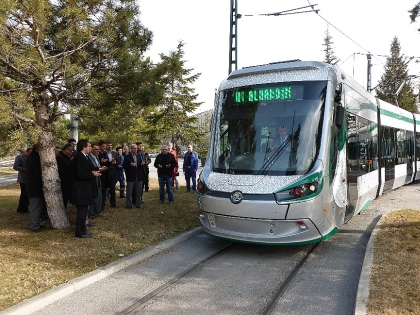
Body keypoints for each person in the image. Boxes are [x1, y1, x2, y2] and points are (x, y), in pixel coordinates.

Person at [71, 139, 101, 238]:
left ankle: (83, 229)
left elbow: (89, 168)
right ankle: (79, 232)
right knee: (82, 212)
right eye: (89, 146)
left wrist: (96, 170)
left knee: (84, 212)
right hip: (81, 190)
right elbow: (80, 174)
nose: (90, 148)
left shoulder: (85, 157)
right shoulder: (79, 157)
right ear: (84, 147)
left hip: (85, 189)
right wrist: (92, 174)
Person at [26, 144, 45, 232]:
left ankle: (36, 223)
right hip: (35, 187)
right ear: (37, 149)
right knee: (35, 207)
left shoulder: (31, 158)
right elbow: (37, 174)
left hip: (32, 186)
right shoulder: (35, 159)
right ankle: (34, 226)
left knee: (37, 206)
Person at [87, 144, 105, 219]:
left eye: (98, 149)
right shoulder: (88, 157)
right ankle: (91, 213)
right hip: (92, 180)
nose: (98, 151)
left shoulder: (97, 157)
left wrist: (100, 168)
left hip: (98, 179)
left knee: (99, 196)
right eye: (96, 149)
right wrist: (97, 169)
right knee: (93, 197)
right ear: (91, 150)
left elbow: (97, 166)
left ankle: (98, 212)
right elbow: (90, 169)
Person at [123, 144, 144, 208]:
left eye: (136, 148)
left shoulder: (139, 155)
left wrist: (142, 164)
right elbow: (124, 166)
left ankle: (138, 204)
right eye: (134, 148)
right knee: (129, 192)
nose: (136, 150)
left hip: (138, 176)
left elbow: (140, 166)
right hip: (131, 177)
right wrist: (130, 165)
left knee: (138, 191)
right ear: (131, 149)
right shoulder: (127, 156)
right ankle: (129, 204)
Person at [13, 147, 32, 215]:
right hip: (23, 179)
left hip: (30, 179)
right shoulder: (20, 157)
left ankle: (25, 208)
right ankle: (20, 210)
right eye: (29, 153)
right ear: (26, 151)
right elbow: (15, 166)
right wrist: (25, 169)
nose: (30, 154)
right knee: (23, 194)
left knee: (28, 194)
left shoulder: (30, 157)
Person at [56, 143, 73, 209]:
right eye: (70, 151)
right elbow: (61, 169)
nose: (71, 153)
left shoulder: (66, 157)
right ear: (66, 150)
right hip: (63, 181)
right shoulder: (60, 157)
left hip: (67, 181)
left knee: (65, 199)